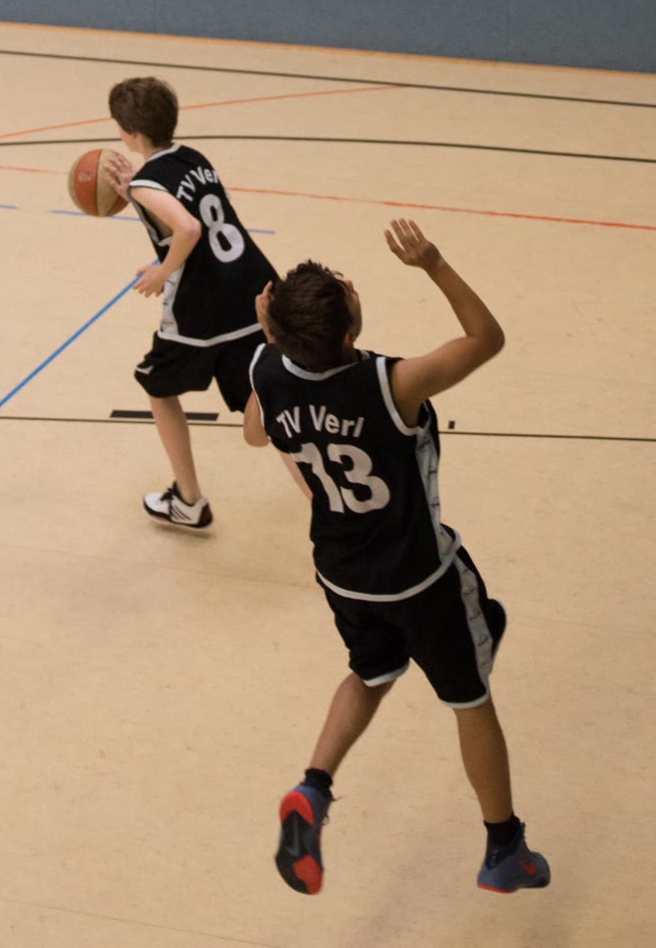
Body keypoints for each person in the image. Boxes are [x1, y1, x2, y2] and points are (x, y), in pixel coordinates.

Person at [244, 217, 549, 897]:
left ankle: (313, 787)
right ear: (349, 326)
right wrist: (432, 262)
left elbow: (256, 435)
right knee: (470, 699)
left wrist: (271, 345)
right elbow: (487, 339)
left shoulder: (266, 370)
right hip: (419, 577)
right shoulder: (393, 384)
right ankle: (504, 847)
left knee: (371, 670)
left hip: (342, 573)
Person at [105, 75, 278, 530]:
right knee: (271, 408)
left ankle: (189, 500)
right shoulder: (194, 158)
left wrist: (163, 271)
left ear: (128, 132)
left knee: (158, 387)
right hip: (253, 290)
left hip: (204, 308)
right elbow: (193, 215)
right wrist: (138, 195)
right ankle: (330, 495)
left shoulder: (147, 183)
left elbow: (188, 229)